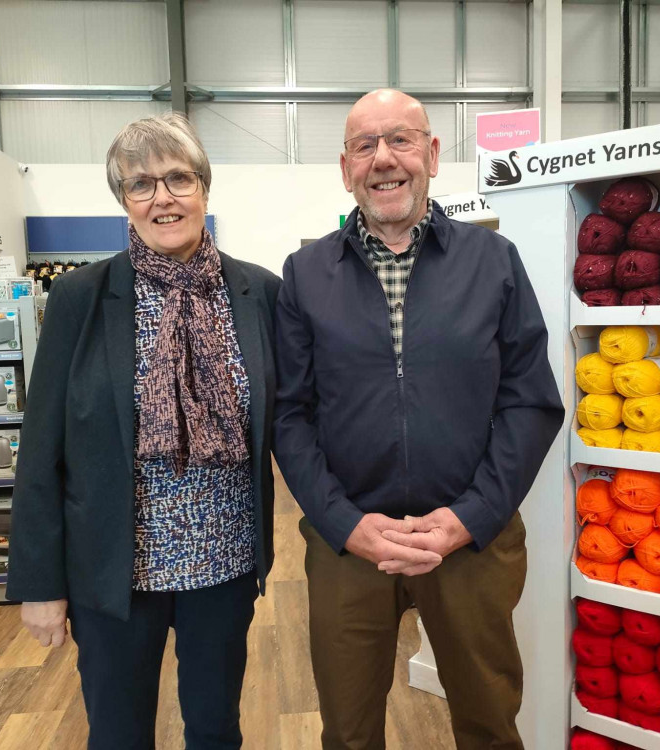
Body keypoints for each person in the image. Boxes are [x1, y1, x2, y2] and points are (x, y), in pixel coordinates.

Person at [273, 89, 564, 749]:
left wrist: (473, 516)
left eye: (401, 139)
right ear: (346, 167)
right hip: (350, 544)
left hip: (469, 540)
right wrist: (345, 525)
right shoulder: (306, 274)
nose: (384, 158)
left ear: (432, 154)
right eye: (364, 145)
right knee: (347, 732)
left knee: (489, 723)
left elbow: (531, 401)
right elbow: (290, 416)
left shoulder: (493, 263)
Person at [6, 113, 281, 750]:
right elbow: (41, 447)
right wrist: (41, 585)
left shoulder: (258, 292)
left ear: (204, 188)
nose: (162, 198)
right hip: (113, 569)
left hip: (225, 561)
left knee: (216, 730)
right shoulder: (81, 296)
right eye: (141, 184)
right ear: (123, 202)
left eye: (178, 178)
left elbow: (289, 418)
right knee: (118, 734)